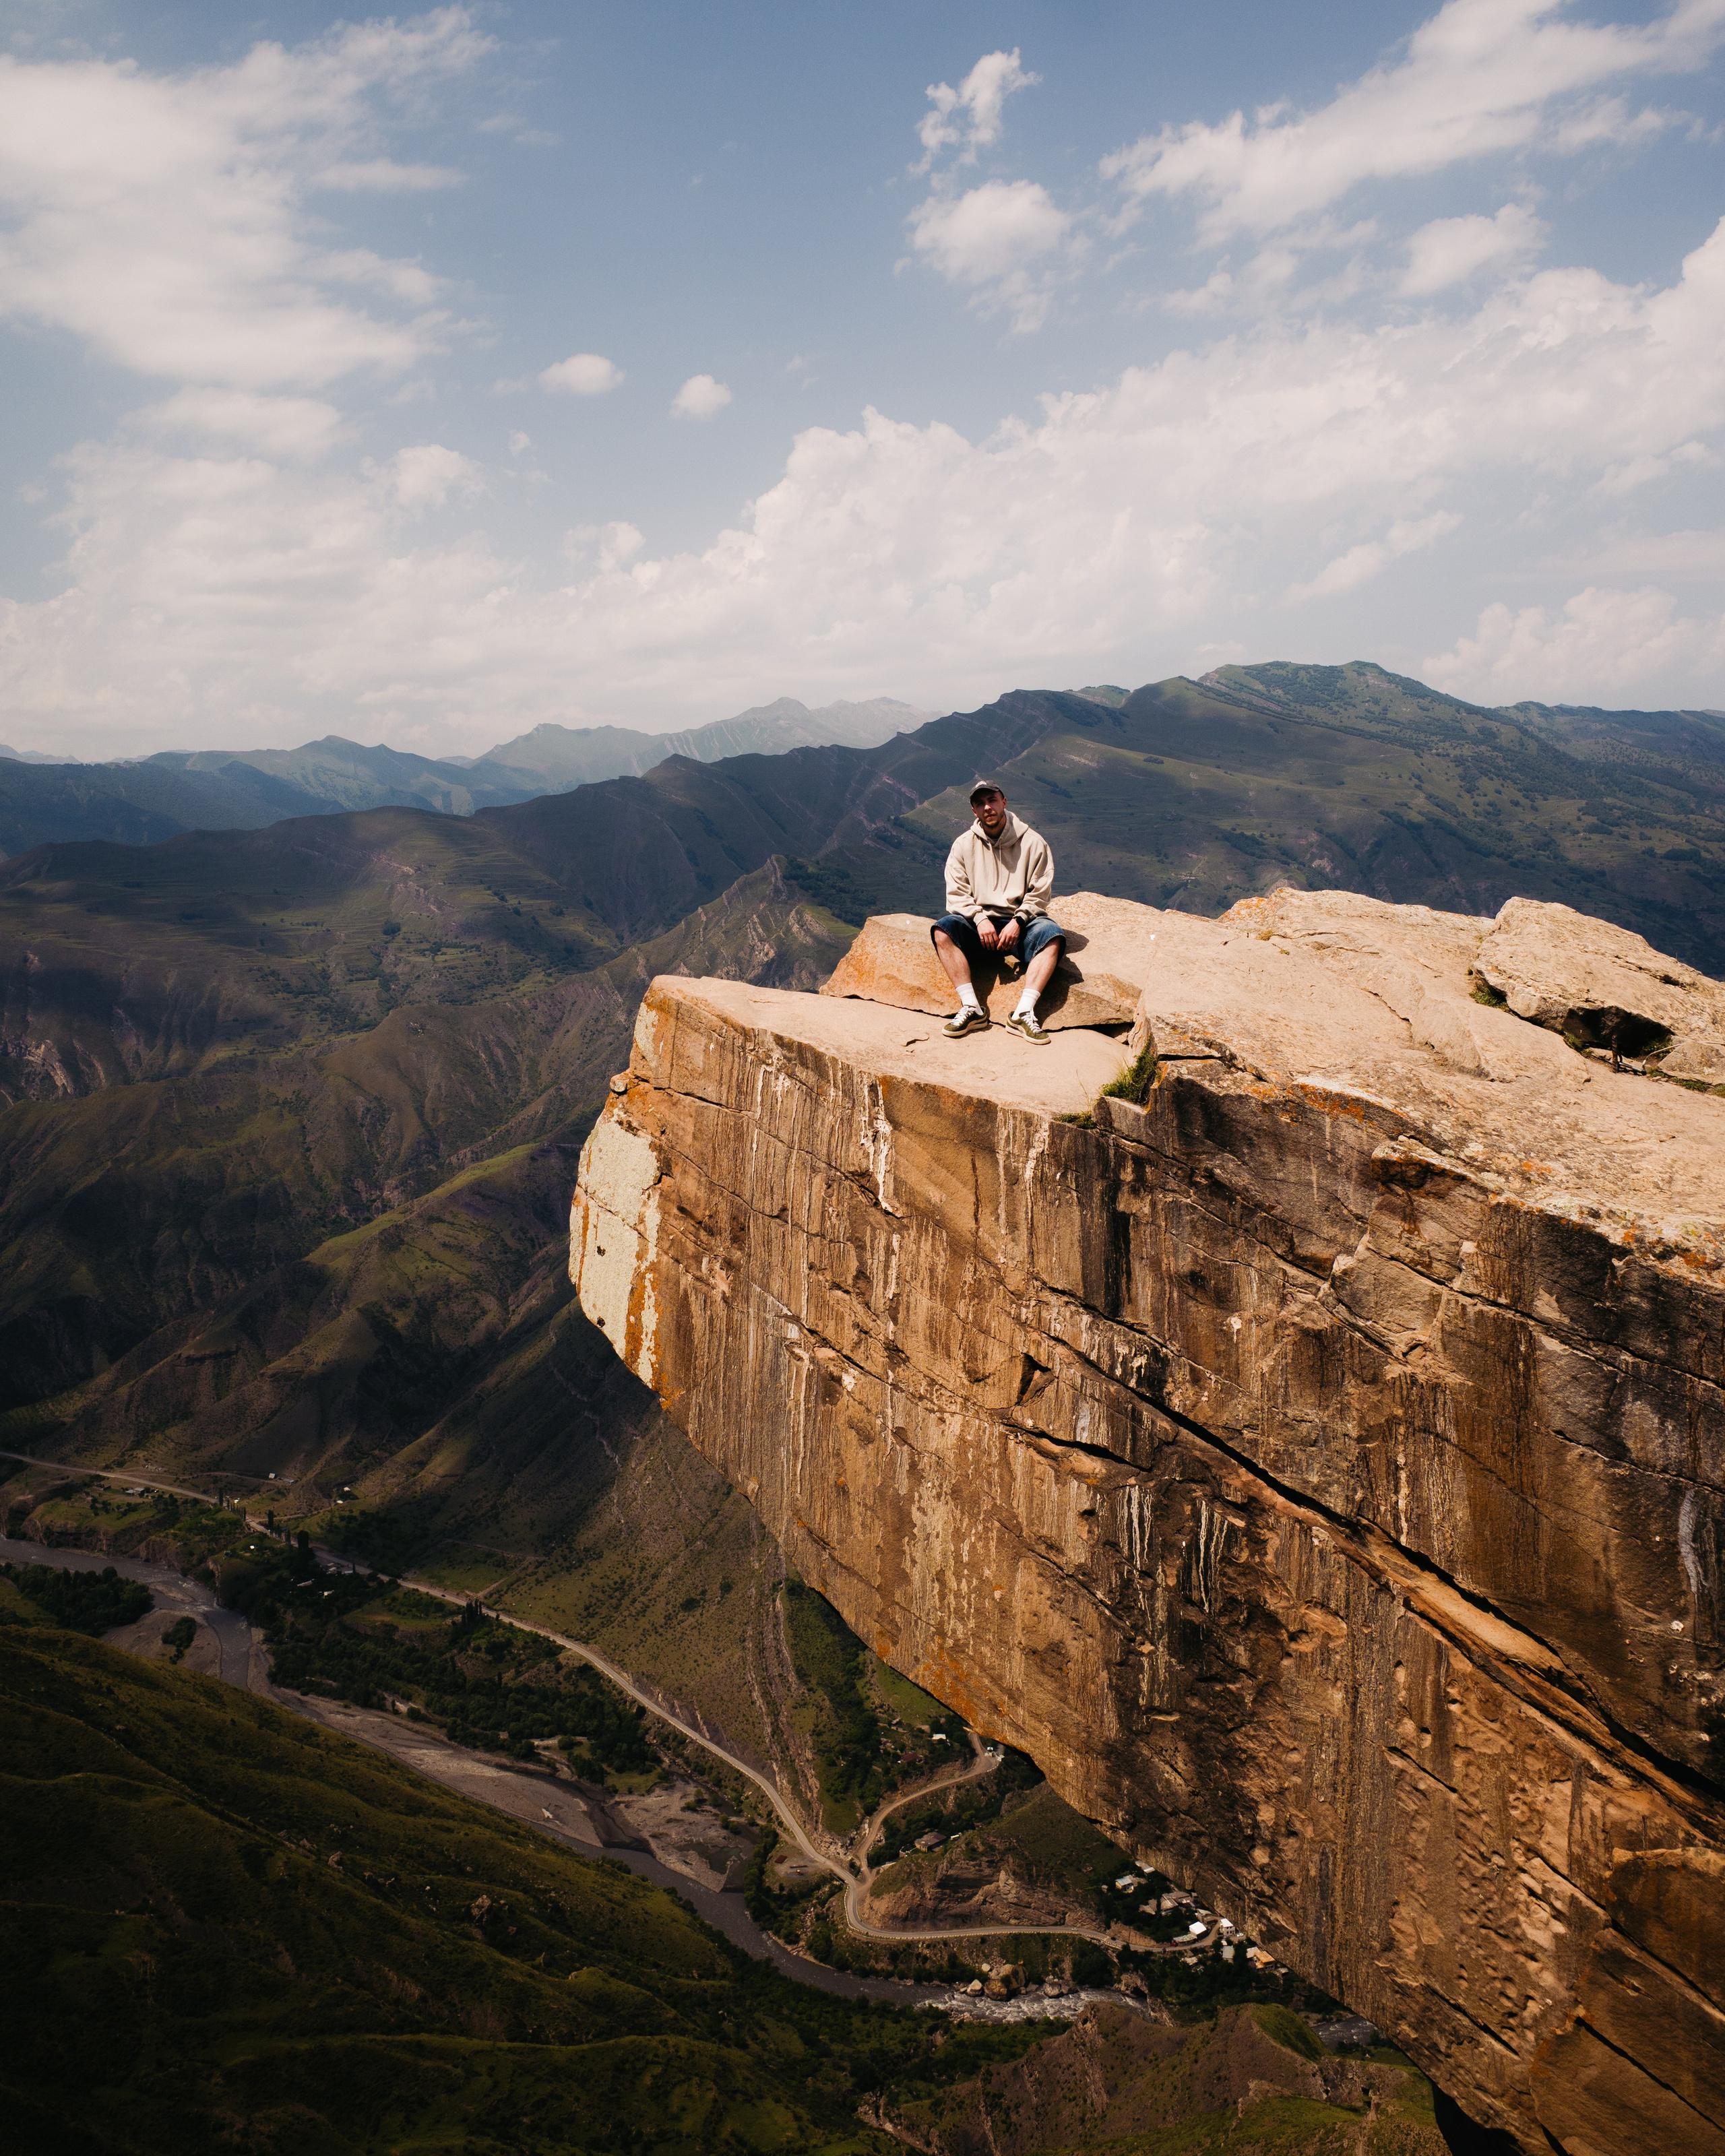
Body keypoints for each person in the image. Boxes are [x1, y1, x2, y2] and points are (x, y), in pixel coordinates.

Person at [931, 780, 1065, 1044]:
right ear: (974, 811)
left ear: (1004, 802)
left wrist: (1019, 920)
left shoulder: (1033, 843)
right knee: (943, 930)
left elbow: (1040, 892)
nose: (987, 807)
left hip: (1020, 922)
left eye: (992, 800)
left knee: (1052, 936)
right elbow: (957, 893)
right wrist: (980, 918)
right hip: (979, 924)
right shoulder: (963, 845)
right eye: (980, 804)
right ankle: (972, 1008)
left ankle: (1023, 1012)